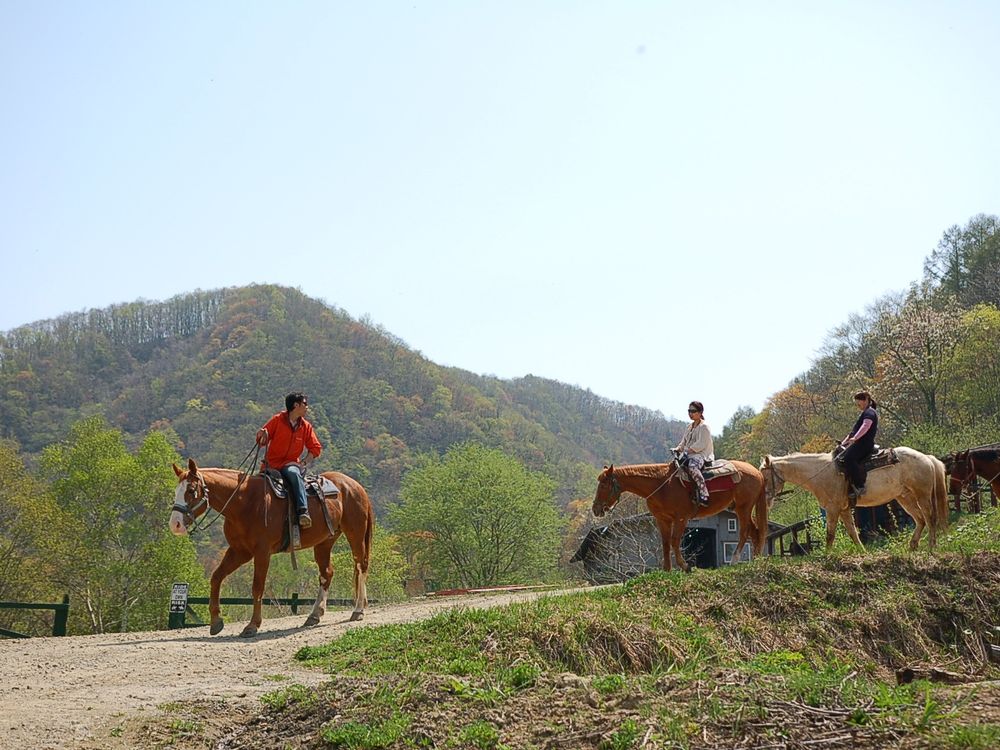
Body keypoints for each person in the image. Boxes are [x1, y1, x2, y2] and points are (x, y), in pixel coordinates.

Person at [256, 392, 323, 528]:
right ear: (295, 405)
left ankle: (303, 511)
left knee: (293, 473)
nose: (307, 407)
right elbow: (262, 441)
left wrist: (302, 463)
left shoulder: (305, 426)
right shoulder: (277, 420)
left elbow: (315, 448)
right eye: (305, 404)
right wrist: (260, 436)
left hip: (290, 464)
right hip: (271, 464)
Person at [840, 390, 878, 505]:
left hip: (865, 444)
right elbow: (853, 432)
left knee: (848, 458)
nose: (858, 406)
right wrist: (843, 443)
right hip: (859, 442)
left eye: (859, 403)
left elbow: (866, 426)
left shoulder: (870, 413)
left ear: (866, 399)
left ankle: (860, 486)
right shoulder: (864, 413)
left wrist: (855, 438)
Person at [673, 401, 714, 506]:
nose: (690, 413)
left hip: (701, 455)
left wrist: (687, 450)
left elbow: (701, 444)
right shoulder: (689, 427)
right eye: (689, 411)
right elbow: (683, 442)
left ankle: (704, 494)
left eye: (693, 411)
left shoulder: (704, 427)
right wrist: (677, 449)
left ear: (700, 412)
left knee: (692, 468)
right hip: (688, 454)